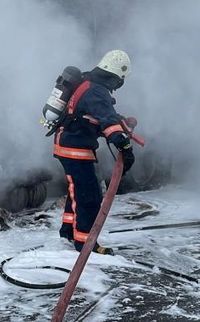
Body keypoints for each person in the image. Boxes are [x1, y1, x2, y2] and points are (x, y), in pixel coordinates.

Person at [54, 50, 136, 254]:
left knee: (77, 192)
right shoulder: (97, 91)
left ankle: (68, 231)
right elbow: (108, 123)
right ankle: (85, 243)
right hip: (75, 150)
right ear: (116, 75)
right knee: (89, 197)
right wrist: (124, 146)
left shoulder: (87, 82)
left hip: (68, 146)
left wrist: (121, 122)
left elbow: (97, 115)